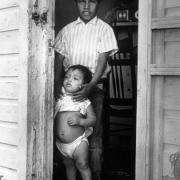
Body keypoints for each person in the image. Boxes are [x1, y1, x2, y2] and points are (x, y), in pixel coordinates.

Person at [54, 0, 118, 179]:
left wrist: (91, 85)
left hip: (94, 87)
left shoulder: (104, 29)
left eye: (92, 1)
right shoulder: (67, 31)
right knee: (63, 127)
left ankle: (94, 175)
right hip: (67, 90)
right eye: (82, 1)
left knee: (94, 136)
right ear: (76, 4)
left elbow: (102, 61)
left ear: (98, 4)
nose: (87, 6)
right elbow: (58, 60)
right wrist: (56, 82)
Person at [54, 65, 96, 180]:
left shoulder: (83, 101)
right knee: (69, 165)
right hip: (61, 144)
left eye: (75, 78)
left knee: (83, 164)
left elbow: (93, 119)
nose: (69, 80)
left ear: (84, 85)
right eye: (67, 77)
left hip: (78, 143)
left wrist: (81, 121)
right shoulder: (60, 96)